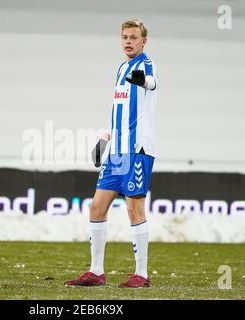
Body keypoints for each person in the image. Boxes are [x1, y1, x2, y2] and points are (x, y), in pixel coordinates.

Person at [65, 19, 158, 288]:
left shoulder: (145, 65)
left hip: (137, 149)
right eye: (124, 37)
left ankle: (141, 274)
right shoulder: (120, 69)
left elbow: (151, 83)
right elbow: (118, 112)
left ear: (143, 41)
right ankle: (96, 272)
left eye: (133, 37)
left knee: (134, 207)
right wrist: (103, 138)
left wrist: (143, 80)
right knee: (96, 206)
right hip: (116, 151)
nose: (128, 41)